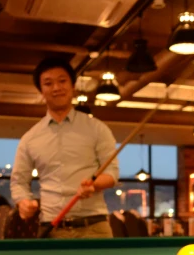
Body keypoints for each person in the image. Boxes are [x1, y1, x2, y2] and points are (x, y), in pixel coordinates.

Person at [10, 56, 119, 238]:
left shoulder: (97, 129)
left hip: (94, 228)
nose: (56, 88)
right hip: (52, 229)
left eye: (62, 81)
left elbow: (112, 174)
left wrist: (94, 185)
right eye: (48, 83)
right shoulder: (30, 138)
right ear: (41, 91)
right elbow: (19, 181)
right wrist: (23, 201)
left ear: (72, 86)